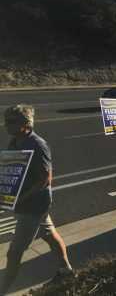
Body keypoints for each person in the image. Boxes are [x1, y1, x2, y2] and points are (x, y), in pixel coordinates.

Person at [0, 105, 73, 295]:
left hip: (33, 206)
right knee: (49, 234)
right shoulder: (14, 143)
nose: (5, 124)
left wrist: (21, 199)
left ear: (25, 124)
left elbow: (46, 179)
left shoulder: (37, 144)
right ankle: (67, 272)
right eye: (5, 120)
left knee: (13, 253)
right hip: (26, 203)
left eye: (11, 121)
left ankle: (3, 288)